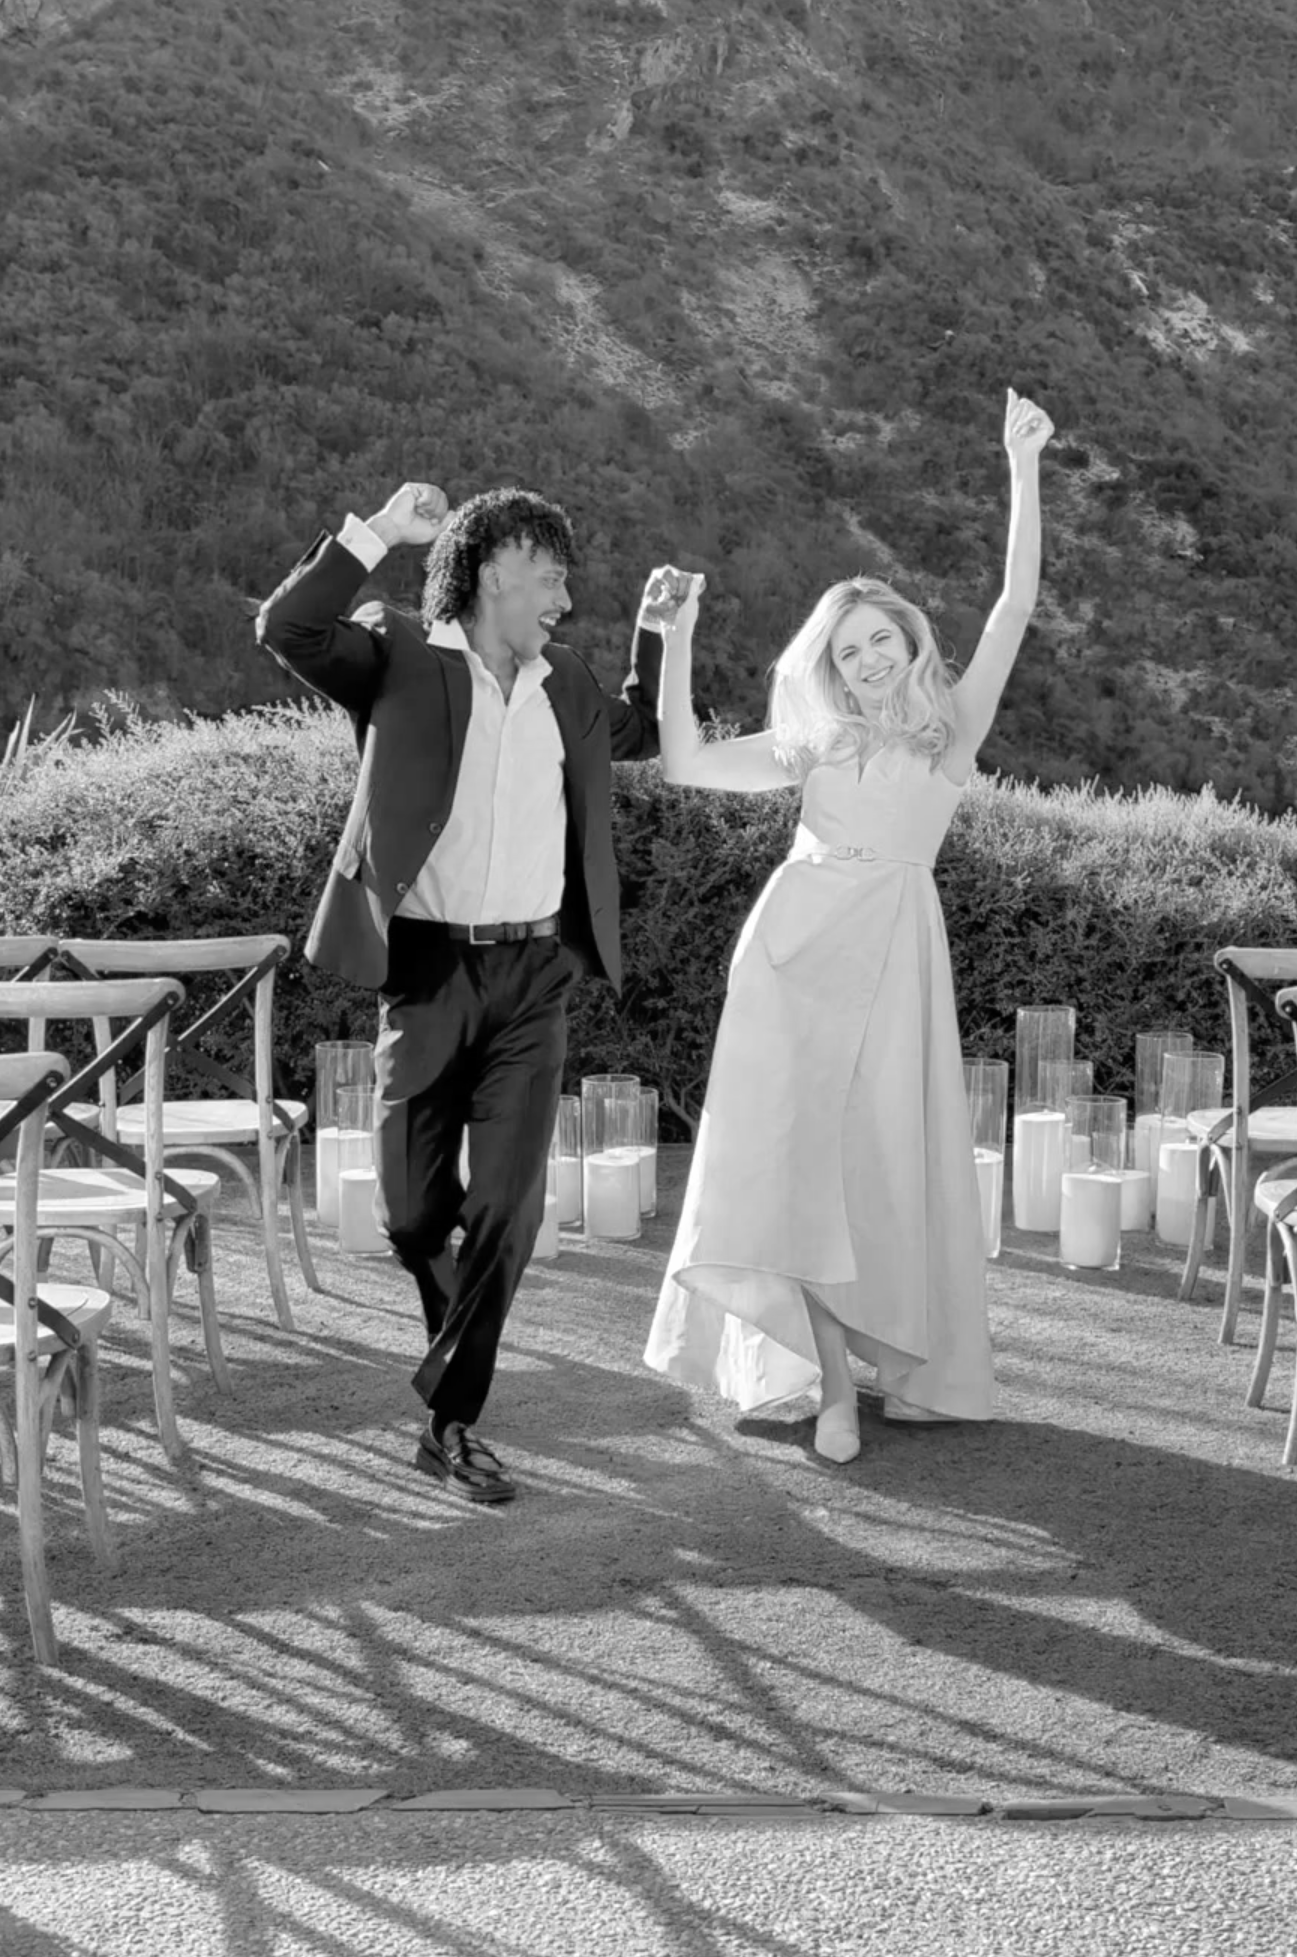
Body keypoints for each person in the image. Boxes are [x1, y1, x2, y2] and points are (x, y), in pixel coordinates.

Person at [643, 389, 1055, 1463]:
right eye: (850, 648)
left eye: (882, 640)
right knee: (792, 1170)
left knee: (875, 1163)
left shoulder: (950, 729)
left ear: (912, 644)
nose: (867, 659)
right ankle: (829, 1385)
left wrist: (1022, 467)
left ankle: (885, 1359)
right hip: (788, 957)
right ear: (829, 661)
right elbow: (684, 762)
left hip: (895, 954)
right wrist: (676, 639)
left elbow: (1014, 604)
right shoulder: (810, 743)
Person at [256, 481, 665, 1507]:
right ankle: (457, 1329)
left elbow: (638, 729)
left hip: (535, 976)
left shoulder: (565, 680)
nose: (564, 601)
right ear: (493, 566)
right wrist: (382, 535)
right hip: (428, 969)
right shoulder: (396, 653)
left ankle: (452, 1421)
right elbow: (287, 625)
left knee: (506, 1206)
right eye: (549, 576)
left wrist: (656, 634)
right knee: (407, 1214)